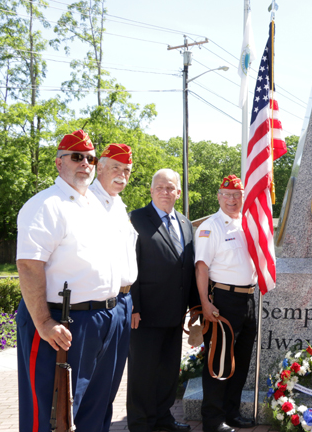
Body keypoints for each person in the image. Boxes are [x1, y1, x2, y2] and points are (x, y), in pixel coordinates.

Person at [16, 129, 124, 432]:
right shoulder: (45, 204)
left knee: (95, 408)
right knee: (52, 414)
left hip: (103, 318)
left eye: (90, 158)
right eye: (77, 157)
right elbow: (28, 265)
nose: (86, 164)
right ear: (58, 163)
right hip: (62, 322)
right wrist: (44, 322)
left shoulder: (93, 204)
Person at [127, 168, 196, 432]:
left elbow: (186, 267)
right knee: (142, 374)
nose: (165, 192)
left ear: (178, 192)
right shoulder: (134, 220)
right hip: (144, 315)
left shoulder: (185, 223)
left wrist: (194, 308)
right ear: (151, 190)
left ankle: (162, 418)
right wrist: (134, 306)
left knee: (168, 372)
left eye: (170, 188)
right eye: (160, 187)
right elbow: (129, 266)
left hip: (175, 314)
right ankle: (141, 423)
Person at [195, 175, 257, 432]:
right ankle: (212, 420)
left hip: (248, 299)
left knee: (240, 362)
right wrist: (205, 304)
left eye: (237, 195)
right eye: (227, 194)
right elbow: (201, 268)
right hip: (223, 300)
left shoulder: (249, 223)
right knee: (219, 362)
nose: (233, 199)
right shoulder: (210, 227)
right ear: (219, 197)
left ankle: (231, 414)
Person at [90, 143, 138, 422]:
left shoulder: (119, 205)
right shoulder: (87, 202)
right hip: (96, 305)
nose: (122, 175)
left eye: (127, 171)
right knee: (88, 386)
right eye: (116, 168)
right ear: (100, 167)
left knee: (108, 386)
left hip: (122, 302)